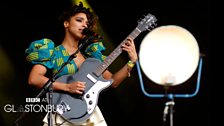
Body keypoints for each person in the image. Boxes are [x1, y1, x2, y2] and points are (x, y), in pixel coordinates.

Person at [25, 2, 138, 126]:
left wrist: (131, 62)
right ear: (66, 23)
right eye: (79, 20)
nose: (85, 25)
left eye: (87, 23)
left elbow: (112, 81)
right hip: (62, 111)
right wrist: (67, 87)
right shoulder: (52, 52)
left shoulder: (90, 57)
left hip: (88, 114)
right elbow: (34, 79)